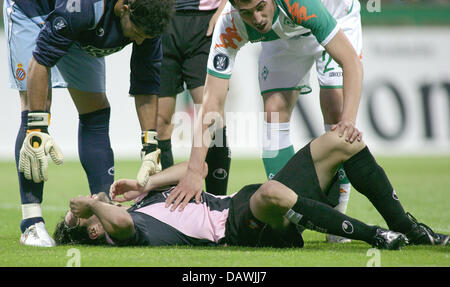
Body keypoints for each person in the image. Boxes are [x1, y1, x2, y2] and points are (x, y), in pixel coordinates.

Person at [165, 0, 363, 245]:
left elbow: (351, 62)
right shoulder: (230, 23)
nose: (256, 18)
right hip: (281, 35)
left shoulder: (301, 4)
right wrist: (194, 171)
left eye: (260, 7)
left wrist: (349, 120)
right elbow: (212, 103)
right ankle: (290, 214)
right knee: (273, 110)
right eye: (247, 13)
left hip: (335, 16)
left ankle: (337, 212)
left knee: (335, 106)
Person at [55, 130, 449, 248]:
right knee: (271, 195)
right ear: (92, 228)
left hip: (240, 200)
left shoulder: (140, 204)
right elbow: (120, 223)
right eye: (81, 213)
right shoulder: (129, 231)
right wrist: (88, 203)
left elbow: (198, 170)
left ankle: (411, 229)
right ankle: (376, 236)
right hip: (238, 228)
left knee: (340, 141)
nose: (88, 202)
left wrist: (147, 182)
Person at [4, 0, 174, 247]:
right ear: (124, 8)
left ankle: (104, 203)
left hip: (80, 25)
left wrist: (150, 145)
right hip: (34, 9)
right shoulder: (86, 8)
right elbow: (41, 61)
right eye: (136, 33)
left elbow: (146, 83)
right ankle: (31, 224)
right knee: (36, 108)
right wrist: (36, 128)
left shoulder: (148, 20)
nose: (138, 41)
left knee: (96, 111)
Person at [155, 0, 231, 196]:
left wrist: (224, 8)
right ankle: (162, 202)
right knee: (159, 122)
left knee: (212, 117)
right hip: (162, 19)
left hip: (204, 23)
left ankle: (217, 199)